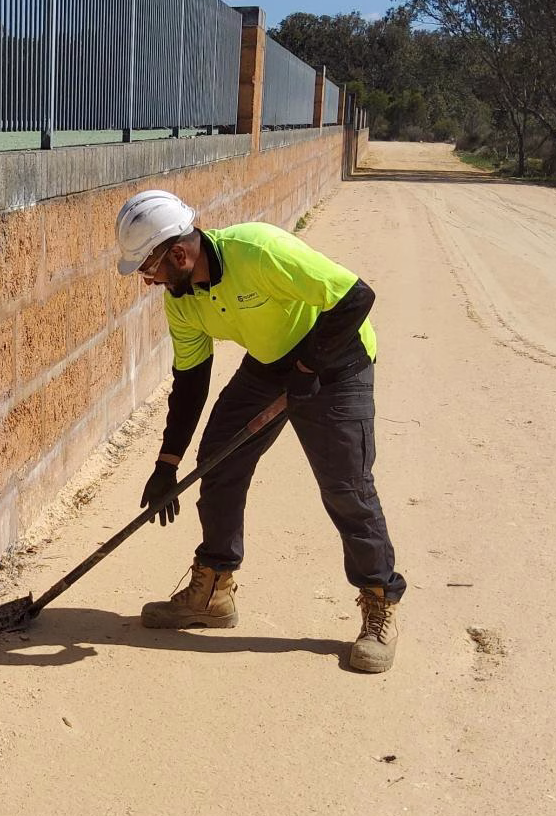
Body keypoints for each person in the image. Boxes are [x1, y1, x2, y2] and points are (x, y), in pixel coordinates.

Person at [115, 188, 406, 673]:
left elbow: (356, 297)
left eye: (151, 269)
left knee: (345, 486)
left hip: (337, 360)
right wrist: (166, 464)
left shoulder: (260, 250)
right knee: (219, 464)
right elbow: (190, 383)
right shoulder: (182, 302)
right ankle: (213, 592)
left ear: (180, 254)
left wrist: (310, 367)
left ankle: (380, 600)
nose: (149, 280)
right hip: (271, 364)